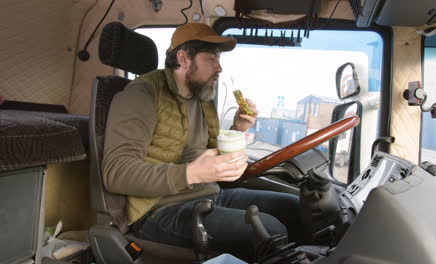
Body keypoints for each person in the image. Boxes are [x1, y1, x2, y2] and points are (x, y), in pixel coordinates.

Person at [102, 23, 301, 261]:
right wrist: (191, 174)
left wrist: (238, 129)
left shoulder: (202, 98)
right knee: (269, 231)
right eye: (211, 59)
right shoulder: (141, 95)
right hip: (157, 209)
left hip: (208, 195)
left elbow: (209, 160)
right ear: (185, 59)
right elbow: (116, 172)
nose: (219, 67)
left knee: (296, 209)